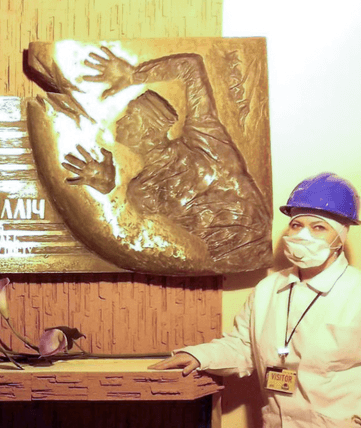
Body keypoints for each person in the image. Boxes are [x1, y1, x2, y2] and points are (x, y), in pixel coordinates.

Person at [150, 173, 361, 428]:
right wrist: (198, 355)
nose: (303, 235)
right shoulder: (268, 290)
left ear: (340, 237)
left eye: (318, 227)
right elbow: (242, 346)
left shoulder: (360, 295)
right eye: (296, 224)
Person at [60, 47, 271, 272]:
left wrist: (135, 76)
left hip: (258, 245)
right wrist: (107, 188)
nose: (119, 122)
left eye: (130, 116)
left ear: (150, 129)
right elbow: (132, 239)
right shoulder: (140, 191)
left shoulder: (206, 141)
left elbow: (191, 65)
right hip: (221, 261)